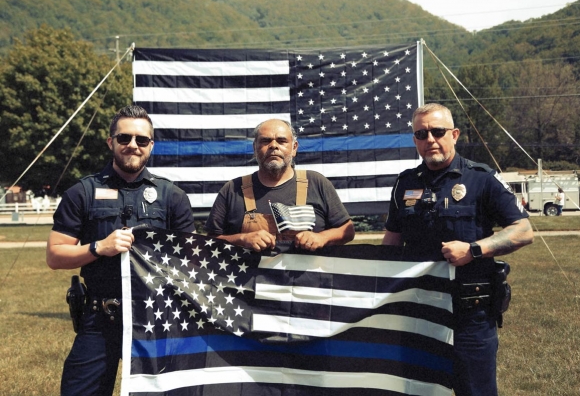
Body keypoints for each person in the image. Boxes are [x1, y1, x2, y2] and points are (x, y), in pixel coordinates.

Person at [381, 103, 534, 396]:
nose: (430, 140)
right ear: (414, 140)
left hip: (470, 316)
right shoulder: (405, 184)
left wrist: (475, 250)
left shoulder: (481, 178)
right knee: (417, 390)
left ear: (454, 134)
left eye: (438, 132)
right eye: (421, 134)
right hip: (419, 311)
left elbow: (524, 231)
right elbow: (392, 240)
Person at [46, 105, 196, 396]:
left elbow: (188, 261)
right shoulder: (83, 192)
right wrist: (99, 247)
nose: (132, 146)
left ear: (151, 145)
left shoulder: (172, 196)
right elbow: (55, 255)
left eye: (141, 140)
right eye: (124, 138)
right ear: (110, 142)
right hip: (101, 317)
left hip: (155, 317)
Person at [205, 118, 355, 252]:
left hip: (307, 281)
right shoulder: (233, 189)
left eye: (282, 141)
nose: (273, 146)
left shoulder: (316, 183)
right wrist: (241, 240)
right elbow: (210, 241)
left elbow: (347, 231)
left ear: (294, 148)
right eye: (265, 141)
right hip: (252, 281)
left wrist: (322, 237)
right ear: (254, 147)